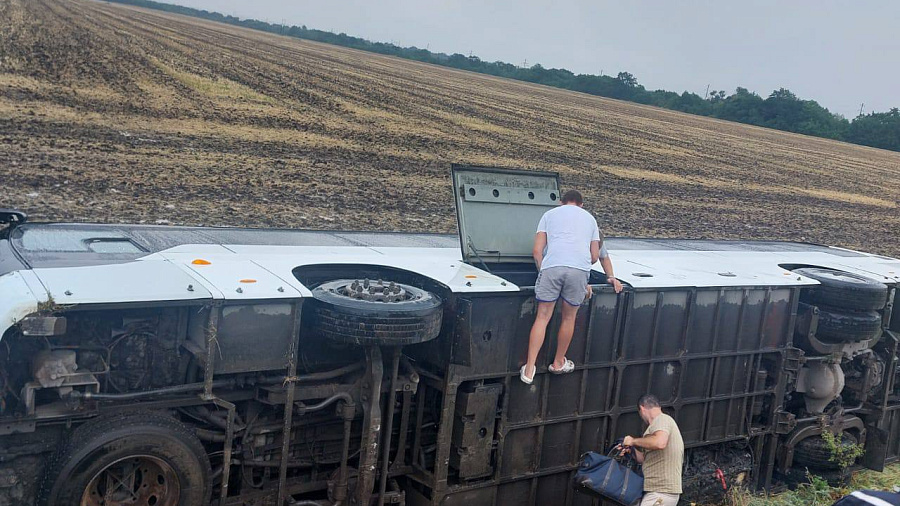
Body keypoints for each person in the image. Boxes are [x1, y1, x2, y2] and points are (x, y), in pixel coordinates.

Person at [520, 189, 623, 385]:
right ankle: (559, 362)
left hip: (552, 267)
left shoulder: (549, 215)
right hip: (578, 271)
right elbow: (595, 256)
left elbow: (536, 251)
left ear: (561, 202)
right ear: (581, 204)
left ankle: (529, 368)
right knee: (569, 317)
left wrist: (544, 271)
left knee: (542, 317)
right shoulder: (590, 219)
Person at [620, 395, 684, 506]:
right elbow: (645, 459)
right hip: (659, 491)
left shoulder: (662, 419)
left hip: (661, 492)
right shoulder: (659, 425)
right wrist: (631, 450)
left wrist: (633, 441)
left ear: (642, 408)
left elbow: (660, 443)